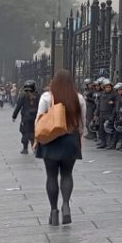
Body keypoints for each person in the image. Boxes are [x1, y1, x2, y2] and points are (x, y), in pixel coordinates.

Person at [36, 69, 87, 226]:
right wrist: (81, 136)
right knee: (67, 174)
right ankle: (66, 205)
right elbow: (82, 121)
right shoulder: (78, 98)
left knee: (51, 176)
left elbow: (39, 118)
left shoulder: (47, 97)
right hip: (70, 139)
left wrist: (36, 139)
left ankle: (53, 211)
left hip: (50, 139)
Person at [11, 80, 39, 154]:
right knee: (34, 132)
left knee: (25, 132)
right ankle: (34, 148)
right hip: (35, 117)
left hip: (26, 118)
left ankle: (25, 148)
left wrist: (14, 116)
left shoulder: (22, 95)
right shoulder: (38, 95)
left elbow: (18, 107)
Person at [96, 80, 116, 149]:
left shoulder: (113, 95)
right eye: (106, 87)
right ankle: (103, 143)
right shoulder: (102, 94)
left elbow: (115, 106)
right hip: (102, 113)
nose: (108, 88)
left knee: (108, 129)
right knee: (101, 129)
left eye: (109, 87)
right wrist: (96, 114)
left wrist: (112, 116)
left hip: (109, 113)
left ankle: (110, 144)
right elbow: (99, 104)